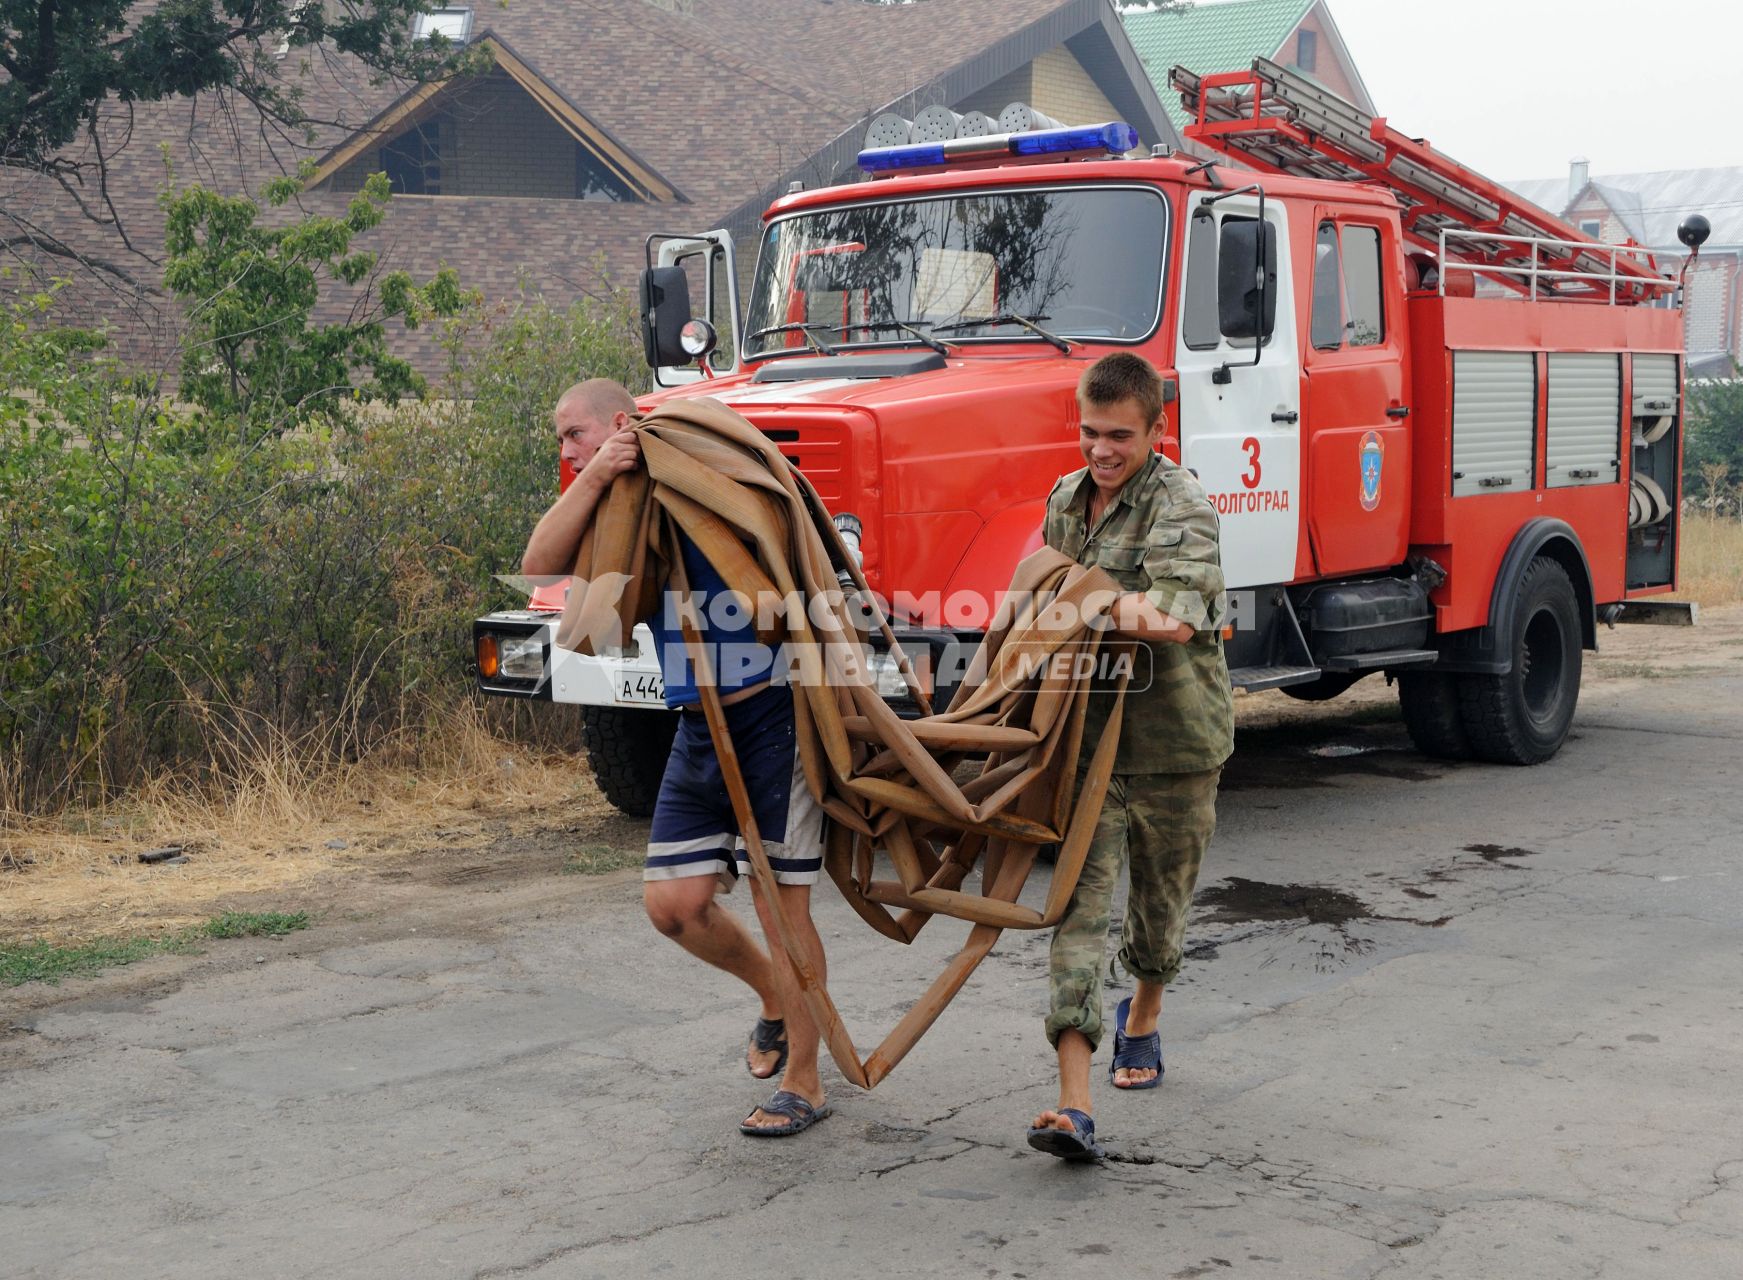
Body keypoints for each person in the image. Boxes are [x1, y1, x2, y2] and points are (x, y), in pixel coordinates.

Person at [522, 379, 832, 1138]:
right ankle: (771, 999)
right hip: (697, 719)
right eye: (561, 440)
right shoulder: (613, 500)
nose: (565, 449)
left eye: (574, 434)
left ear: (621, 422)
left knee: (777, 905)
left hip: (769, 712)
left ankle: (805, 1080)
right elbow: (539, 566)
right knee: (673, 907)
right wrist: (595, 474)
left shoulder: (705, 461)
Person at [1025, 353, 1235, 1161]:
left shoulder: (1181, 504)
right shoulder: (1065, 500)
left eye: (1118, 435)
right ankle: (1071, 1105)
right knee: (1074, 913)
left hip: (1176, 743)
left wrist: (1091, 597)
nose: (1099, 450)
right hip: (1089, 746)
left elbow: (1175, 620)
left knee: (1159, 908)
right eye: (1088, 432)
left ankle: (1142, 1012)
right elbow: (1048, 598)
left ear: (1155, 429)